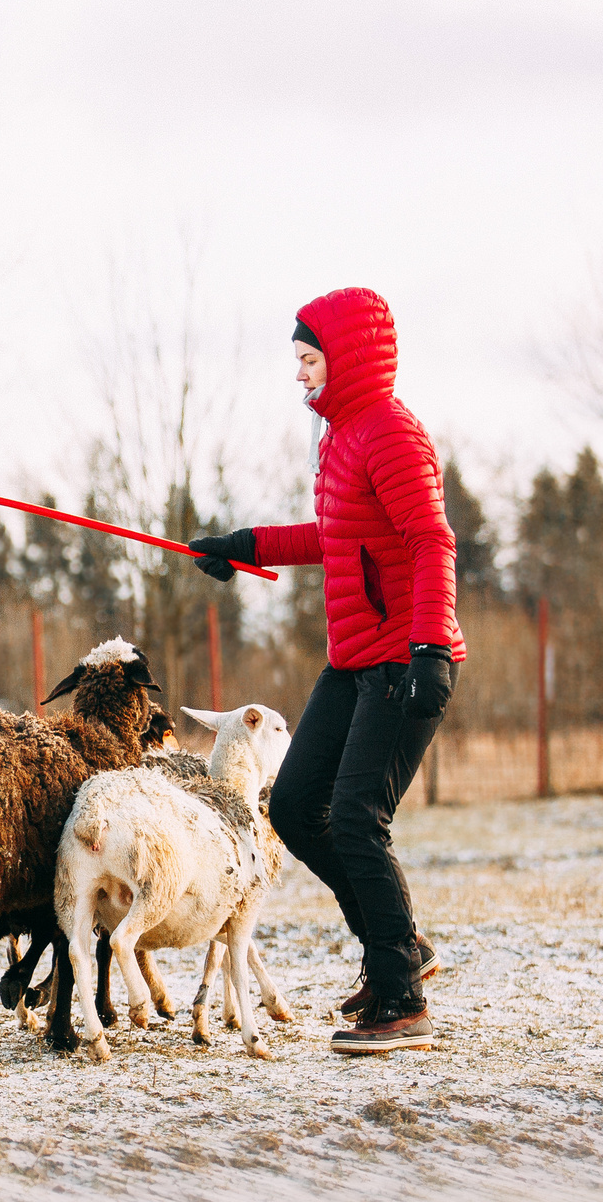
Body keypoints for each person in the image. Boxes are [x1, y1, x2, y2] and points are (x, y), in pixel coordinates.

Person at [187, 287, 463, 1054]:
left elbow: (432, 542)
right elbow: (334, 535)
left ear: (346, 359)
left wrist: (431, 650)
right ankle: (398, 945)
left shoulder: (392, 435)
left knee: (354, 818)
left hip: (403, 658)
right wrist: (246, 544)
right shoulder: (342, 437)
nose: (300, 375)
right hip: (353, 659)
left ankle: (399, 994)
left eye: (309, 360)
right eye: (299, 362)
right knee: (296, 804)